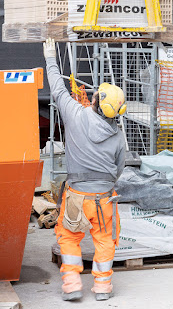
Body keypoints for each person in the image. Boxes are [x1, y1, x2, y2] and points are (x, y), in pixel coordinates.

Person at [43, 38, 126, 301]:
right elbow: (119, 168)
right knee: (105, 241)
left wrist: (50, 58)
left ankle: (71, 284)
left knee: (68, 236)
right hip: (103, 199)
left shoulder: (75, 116)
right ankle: (102, 287)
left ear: (94, 101)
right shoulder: (117, 136)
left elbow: (57, 89)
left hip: (76, 196)